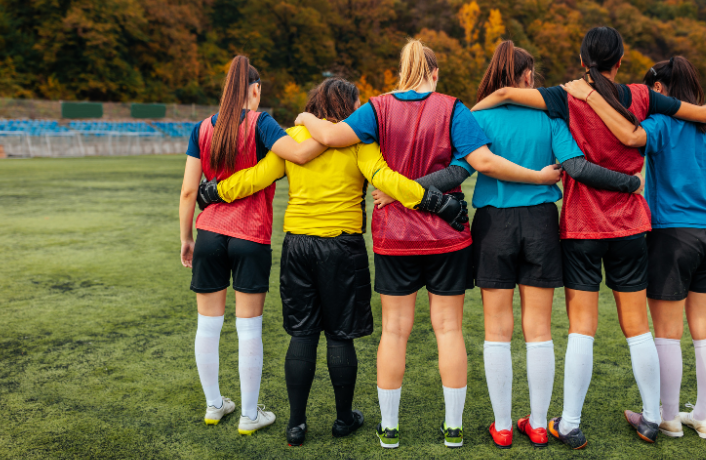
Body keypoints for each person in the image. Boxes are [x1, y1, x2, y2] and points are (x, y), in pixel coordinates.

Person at [372, 40, 645, 449]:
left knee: (497, 330)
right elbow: (574, 166)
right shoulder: (550, 118)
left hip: (493, 226)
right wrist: (629, 182)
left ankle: (501, 426)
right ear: (528, 77)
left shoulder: (475, 117)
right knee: (539, 330)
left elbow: (461, 167)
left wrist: (401, 189)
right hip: (540, 224)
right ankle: (537, 424)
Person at [294, 38, 562, 449]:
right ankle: (453, 428)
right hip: (446, 236)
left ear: (402, 72)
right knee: (449, 330)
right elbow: (475, 164)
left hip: (394, 237)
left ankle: (389, 428)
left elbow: (329, 137)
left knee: (394, 332)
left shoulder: (378, 108)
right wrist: (539, 177)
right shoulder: (453, 108)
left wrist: (303, 117)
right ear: (435, 74)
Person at [472, 27, 706, 448]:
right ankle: (652, 418)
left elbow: (506, 94)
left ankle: (569, 422)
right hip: (631, 225)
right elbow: (705, 114)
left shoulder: (564, 96)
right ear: (620, 61)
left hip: (582, 226)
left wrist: (468, 113)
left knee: (581, 329)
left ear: (582, 60)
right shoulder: (641, 96)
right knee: (638, 328)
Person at [196, 77, 468, 446]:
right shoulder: (358, 140)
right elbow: (386, 179)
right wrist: (436, 202)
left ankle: (296, 425)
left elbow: (256, 178)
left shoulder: (293, 137)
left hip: (298, 245)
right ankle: (343, 419)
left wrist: (215, 191)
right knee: (340, 334)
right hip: (342, 246)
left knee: (303, 333)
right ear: (348, 105)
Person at [562, 56, 706, 440]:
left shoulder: (661, 122)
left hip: (673, 234)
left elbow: (629, 137)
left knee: (667, 331)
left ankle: (668, 417)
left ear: (657, 88)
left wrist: (590, 96)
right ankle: (704, 418)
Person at [178, 55, 330, 436]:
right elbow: (300, 154)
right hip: (250, 235)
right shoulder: (261, 123)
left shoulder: (201, 128)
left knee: (207, 326)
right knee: (249, 329)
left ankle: (214, 405)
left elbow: (188, 191)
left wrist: (186, 237)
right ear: (256, 90)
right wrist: (331, 133)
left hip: (209, 234)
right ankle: (249, 415)